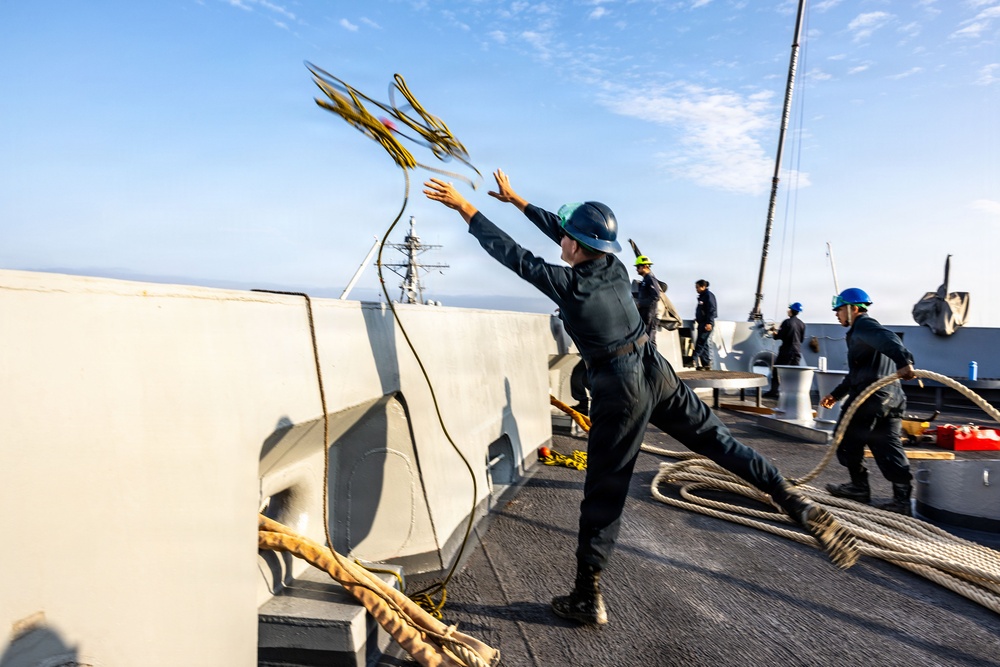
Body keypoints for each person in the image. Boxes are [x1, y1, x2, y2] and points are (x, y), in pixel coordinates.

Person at [423, 169, 858, 626]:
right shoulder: (614, 267)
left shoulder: (569, 286)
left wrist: (465, 208)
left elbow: (513, 255)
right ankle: (791, 499)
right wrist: (517, 201)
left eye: (567, 238)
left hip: (620, 387)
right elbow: (562, 232)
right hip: (657, 371)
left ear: (577, 246)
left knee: (605, 489)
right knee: (721, 443)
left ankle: (587, 596)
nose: (560, 241)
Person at [820, 288, 917, 515]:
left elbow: (889, 338)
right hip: (892, 397)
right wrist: (836, 394)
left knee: (845, 438)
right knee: (888, 445)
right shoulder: (862, 332)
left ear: (853, 309)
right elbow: (857, 373)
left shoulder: (864, 325)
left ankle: (858, 487)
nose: (836, 315)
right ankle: (902, 499)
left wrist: (904, 361)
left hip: (870, 398)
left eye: (839, 310)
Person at [764, 302, 807, 399]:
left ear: (791, 311)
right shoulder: (802, 324)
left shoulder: (787, 322)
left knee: (777, 370)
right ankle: (794, 393)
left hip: (786, 350)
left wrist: (774, 332)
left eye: (789, 309)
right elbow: (801, 339)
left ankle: (774, 391)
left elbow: (778, 336)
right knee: (794, 373)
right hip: (797, 351)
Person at [633, 255, 662, 346]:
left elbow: (656, 296)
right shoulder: (645, 280)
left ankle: (653, 355)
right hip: (645, 315)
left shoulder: (650, 279)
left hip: (650, 316)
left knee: (649, 341)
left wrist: (640, 303)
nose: (636, 269)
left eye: (638, 267)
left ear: (645, 266)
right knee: (646, 341)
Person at [693, 279, 716, 369]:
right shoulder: (702, 297)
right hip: (702, 322)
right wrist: (698, 318)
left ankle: (693, 359)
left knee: (701, 342)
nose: (696, 289)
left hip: (706, 323)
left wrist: (709, 323)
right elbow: (703, 310)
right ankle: (706, 364)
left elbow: (711, 310)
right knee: (704, 344)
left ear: (703, 287)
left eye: (697, 287)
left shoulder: (708, 296)